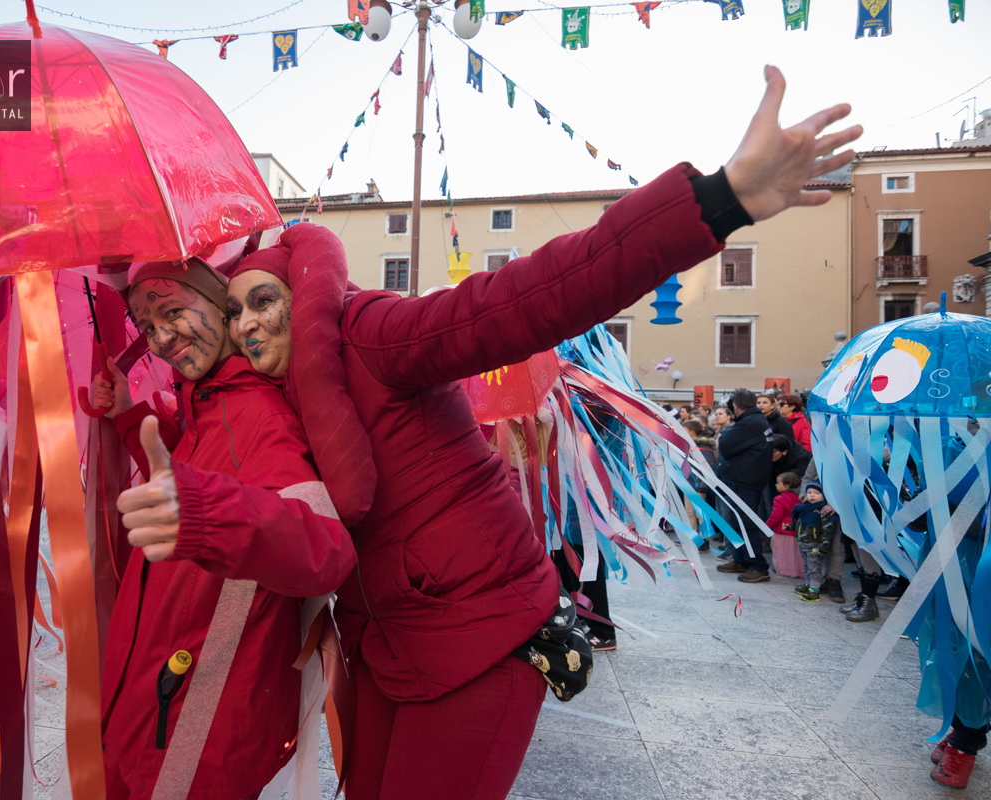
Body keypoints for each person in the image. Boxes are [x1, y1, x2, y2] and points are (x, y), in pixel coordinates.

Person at [149, 65, 860, 799]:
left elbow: (530, 297)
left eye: (265, 300)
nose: (250, 323)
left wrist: (720, 200)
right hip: (387, 644)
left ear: (302, 296)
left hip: (481, 634)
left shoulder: (373, 334)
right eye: (234, 312)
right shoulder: (275, 396)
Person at [89, 259, 356, 800]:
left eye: (172, 312)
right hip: (153, 714)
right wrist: (127, 416)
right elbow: (195, 475)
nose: (161, 339)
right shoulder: (209, 405)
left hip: (192, 736)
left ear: (223, 307)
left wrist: (203, 513)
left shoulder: (257, 415)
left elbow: (325, 550)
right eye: (147, 326)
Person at [715, 389, 774, 582]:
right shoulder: (756, 420)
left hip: (746, 480)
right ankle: (741, 559)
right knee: (737, 522)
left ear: (735, 406)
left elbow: (725, 445)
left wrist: (723, 438)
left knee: (746, 523)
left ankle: (758, 565)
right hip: (746, 478)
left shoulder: (750, 423)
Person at [789, 480, 837, 602]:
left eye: (816, 493)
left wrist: (823, 547)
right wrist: (790, 527)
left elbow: (828, 530)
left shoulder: (823, 511)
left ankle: (814, 591)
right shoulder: (803, 509)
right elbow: (799, 524)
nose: (812, 495)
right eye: (809, 492)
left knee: (814, 568)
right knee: (807, 566)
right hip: (803, 543)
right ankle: (808, 585)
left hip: (815, 546)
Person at [766, 471, 802, 578]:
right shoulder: (799, 498)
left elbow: (776, 516)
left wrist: (766, 525)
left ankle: (783, 570)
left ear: (786, 486)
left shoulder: (779, 499)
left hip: (781, 530)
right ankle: (798, 571)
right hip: (795, 528)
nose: (776, 485)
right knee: (795, 551)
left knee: (781, 551)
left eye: (778, 483)